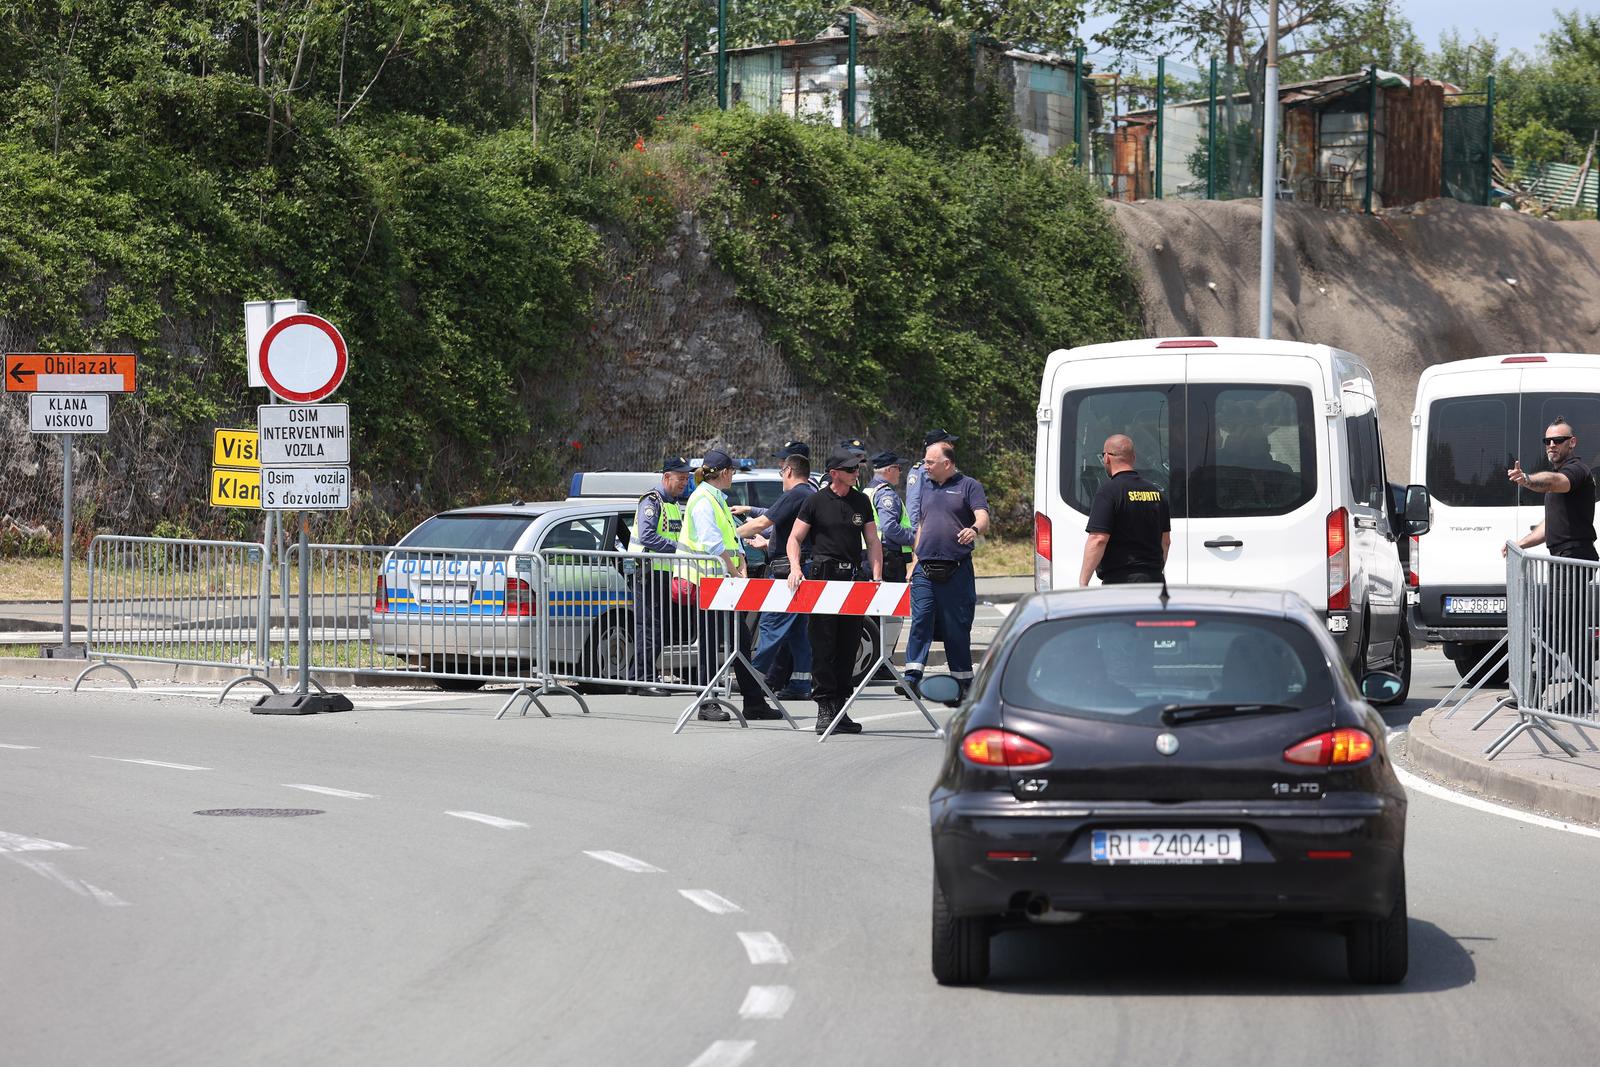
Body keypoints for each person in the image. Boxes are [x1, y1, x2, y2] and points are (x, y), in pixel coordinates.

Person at [787, 450, 884, 734]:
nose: (856, 472)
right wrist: (795, 567)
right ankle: (824, 708)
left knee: (847, 646)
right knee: (823, 646)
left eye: (857, 468)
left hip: (851, 579)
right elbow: (795, 537)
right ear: (834, 473)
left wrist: (876, 577)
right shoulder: (815, 501)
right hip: (822, 579)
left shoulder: (861, 501)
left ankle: (840, 708)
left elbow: (873, 540)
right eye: (850, 468)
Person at [681, 448, 781, 722]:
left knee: (741, 641)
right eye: (732, 471)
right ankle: (706, 702)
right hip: (709, 581)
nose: (733, 475)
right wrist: (737, 572)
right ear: (724, 473)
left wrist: (740, 568)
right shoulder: (703, 500)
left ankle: (753, 702)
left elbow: (731, 539)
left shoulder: (716, 499)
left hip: (723, 582)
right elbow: (714, 545)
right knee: (712, 644)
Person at [1504, 418, 1598, 709]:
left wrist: (1528, 480)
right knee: (1570, 631)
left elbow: (1557, 482)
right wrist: (1521, 543)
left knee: (1551, 629)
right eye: (1547, 441)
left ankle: (1534, 695)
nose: (1552, 446)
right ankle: (1576, 696)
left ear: (1572, 442)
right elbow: (1551, 526)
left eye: (1558, 440)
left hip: (1572, 559)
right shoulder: (1562, 479)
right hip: (1564, 560)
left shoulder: (1575, 471)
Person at [902, 440, 989, 695]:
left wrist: (973, 530)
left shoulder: (968, 485)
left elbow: (983, 517)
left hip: (956, 568)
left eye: (930, 462)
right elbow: (922, 525)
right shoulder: (925, 486)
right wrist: (914, 562)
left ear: (947, 464)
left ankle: (962, 680)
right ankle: (912, 677)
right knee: (921, 620)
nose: (925, 466)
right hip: (925, 568)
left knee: (956, 625)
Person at [740, 453, 817, 700]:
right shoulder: (810, 495)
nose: (781, 477)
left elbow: (761, 522)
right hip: (802, 569)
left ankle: (754, 681)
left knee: (771, 624)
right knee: (798, 631)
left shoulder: (795, 494)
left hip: (788, 572)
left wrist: (730, 534)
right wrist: (768, 545)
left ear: (789, 471)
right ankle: (800, 684)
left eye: (781, 472)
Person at [629, 455, 692, 695]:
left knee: (655, 627)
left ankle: (635, 679)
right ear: (666, 477)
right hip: (648, 573)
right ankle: (644, 680)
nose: (684, 483)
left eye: (686, 479)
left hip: (663, 574)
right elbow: (647, 536)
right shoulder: (652, 500)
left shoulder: (673, 503)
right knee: (650, 627)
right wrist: (679, 550)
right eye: (680, 478)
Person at [1079, 434, 1172, 585]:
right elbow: (1166, 541)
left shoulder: (1108, 492)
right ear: (1133, 458)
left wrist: (1083, 583)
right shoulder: (1156, 493)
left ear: (1107, 458)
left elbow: (1098, 540)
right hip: (1154, 582)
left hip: (1120, 584)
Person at [867, 451, 914, 583]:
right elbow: (889, 527)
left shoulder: (869, 489)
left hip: (873, 554)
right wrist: (912, 540)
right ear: (889, 469)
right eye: (898, 468)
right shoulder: (886, 494)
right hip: (889, 557)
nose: (900, 472)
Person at [905, 428, 958, 537]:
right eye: (948, 443)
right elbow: (913, 503)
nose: (952, 446)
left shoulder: (950, 469)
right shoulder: (919, 471)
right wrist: (915, 537)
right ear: (936, 445)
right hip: (928, 533)